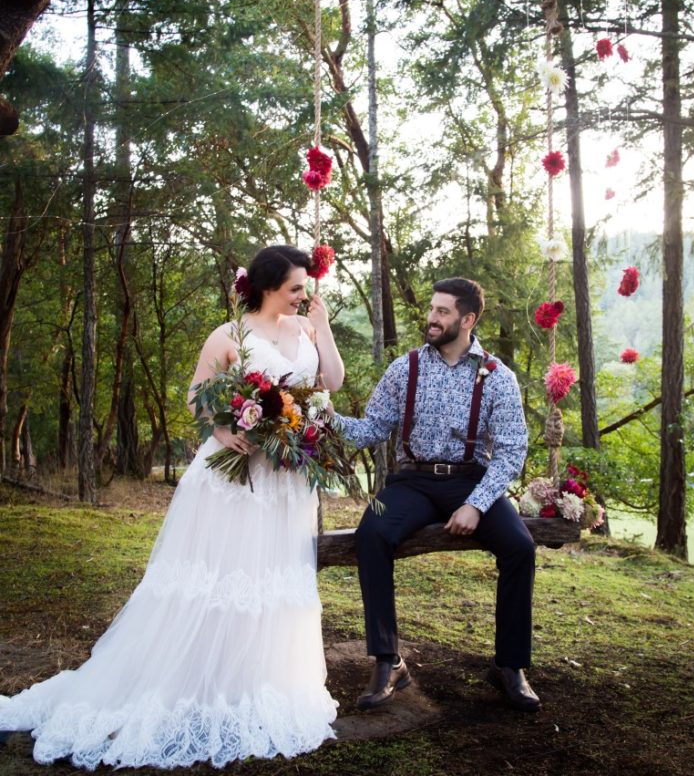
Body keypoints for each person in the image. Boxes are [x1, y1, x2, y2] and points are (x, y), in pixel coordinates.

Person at [0, 245, 345, 768]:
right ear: (269, 285)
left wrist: (324, 330)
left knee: (271, 581)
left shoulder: (306, 330)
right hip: (235, 476)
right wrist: (227, 428)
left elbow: (331, 384)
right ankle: (193, 680)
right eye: (297, 288)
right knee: (223, 577)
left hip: (286, 480)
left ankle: (255, 679)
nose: (304, 295)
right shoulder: (230, 334)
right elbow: (197, 397)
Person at [334, 277, 540, 713]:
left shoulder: (499, 377)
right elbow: (372, 429)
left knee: (520, 546)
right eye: (432, 309)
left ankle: (510, 665)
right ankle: (388, 661)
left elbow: (511, 451)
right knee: (371, 530)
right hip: (409, 482)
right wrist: (322, 416)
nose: (432, 318)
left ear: (468, 320)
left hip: (471, 482)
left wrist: (477, 504)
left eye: (443, 312)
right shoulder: (404, 367)